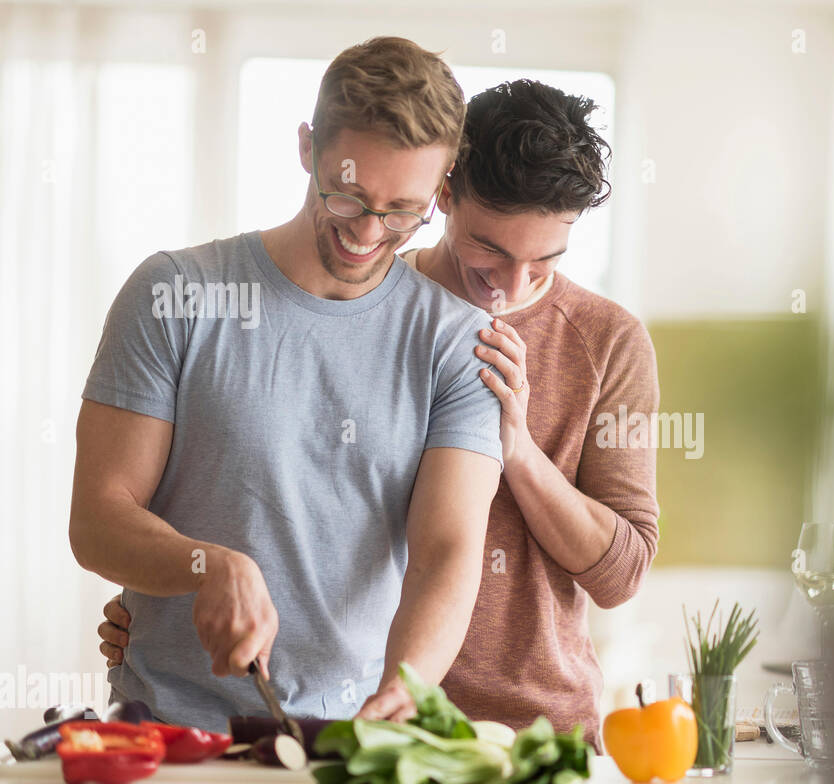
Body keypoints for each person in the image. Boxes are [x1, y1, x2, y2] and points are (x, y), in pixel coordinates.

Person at [98, 76, 661, 748]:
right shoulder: (361, 295)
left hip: (523, 724)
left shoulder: (607, 340)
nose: (511, 287)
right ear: (445, 193)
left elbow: (621, 572)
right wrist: (168, 602)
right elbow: (275, 503)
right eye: (491, 249)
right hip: (357, 718)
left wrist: (518, 450)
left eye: (544, 261)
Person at [73, 37, 503, 730]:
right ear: (308, 147)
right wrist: (206, 563)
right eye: (347, 193)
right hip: (166, 732)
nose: (367, 230)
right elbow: (97, 521)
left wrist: (406, 687)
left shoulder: (456, 343)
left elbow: (446, 551)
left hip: (350, 738)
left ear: (442, 192)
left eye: (402, 210)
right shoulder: (176, 293)